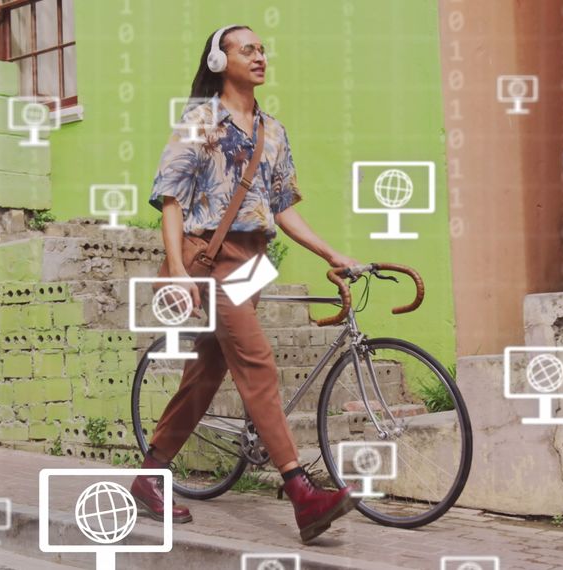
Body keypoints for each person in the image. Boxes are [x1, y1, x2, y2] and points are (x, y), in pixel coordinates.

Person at [129, 24, 361, 544]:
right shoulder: (199, 120)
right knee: (257, 363)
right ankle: (302, 494)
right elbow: (170, 199)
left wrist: (332, 252)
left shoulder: (272, 131)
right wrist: (180, 271)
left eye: (262, 49)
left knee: (208, 371)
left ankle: (149, 474)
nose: (260, 56)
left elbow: (283, 210)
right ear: (219, 60)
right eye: (247, 49)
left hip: (255, 259)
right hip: (210, 258)